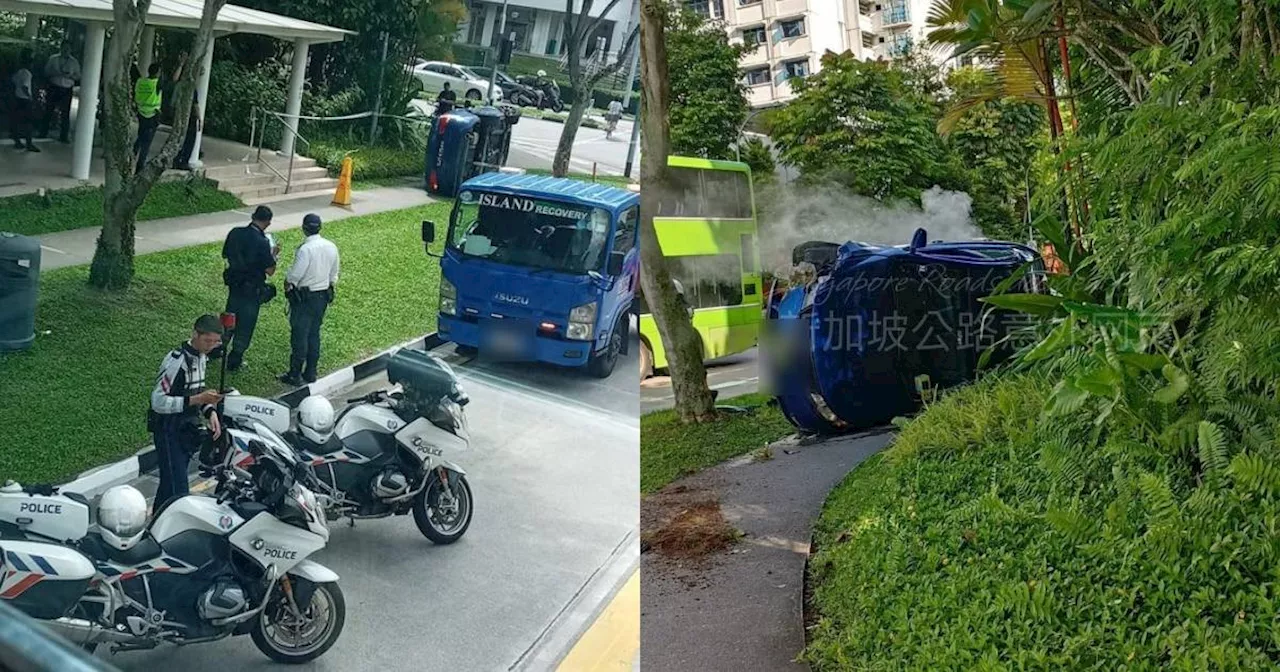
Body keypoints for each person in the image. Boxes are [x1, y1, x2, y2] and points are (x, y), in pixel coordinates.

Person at [149, 314, 224, 509]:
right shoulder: (177, 361)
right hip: (168, 429)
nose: (210, 346)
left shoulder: (201, 358)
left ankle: (157, 522)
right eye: (207, 341)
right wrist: (198, 400)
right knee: (179, 491)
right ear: (195, 334)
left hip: (185, 430)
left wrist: (210, 411)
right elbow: (158, 401)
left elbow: (199, 390)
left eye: (215, 342)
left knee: (170, 485)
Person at [281, 214, 341, 386]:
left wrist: (288, 283)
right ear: (319, 227)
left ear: (304, 228)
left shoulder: (305, 249)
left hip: (305, 298)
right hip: (322, 296)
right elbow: (334, 274)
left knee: (300, 335)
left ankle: (294, 374)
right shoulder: (331, 246)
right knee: (314, 334)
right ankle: (311, 372)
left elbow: (295, 275)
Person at [221, 205, 279, 372]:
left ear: (253, 216)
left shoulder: (235, 232)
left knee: (230, 316)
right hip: (252, 290)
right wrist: (273, 255)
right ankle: (234, 360)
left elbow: (225, 254)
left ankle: (217, 348)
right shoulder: (262, 242)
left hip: (234, 285)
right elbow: (270, 270)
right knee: (245, 325)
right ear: (268, 223)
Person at [134, 52, 186, 173]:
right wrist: (180, 65)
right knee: (146, 143)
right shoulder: (156, 83)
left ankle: (132, 152)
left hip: (141, 113)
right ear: (157, 73)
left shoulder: (141, 81)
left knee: (141, 136)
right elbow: (174, 80)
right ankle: (139, 167)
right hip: (152, 115)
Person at [41, 41, 80, 143]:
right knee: (49, 109)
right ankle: (43, 132)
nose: (66, 50)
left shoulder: (74, 62)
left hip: (66, 89)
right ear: (61, 47)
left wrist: (69, 76)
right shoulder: (53, 59)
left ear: (71, 49)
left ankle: (63, 136)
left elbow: (78, 76)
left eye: (68, 48)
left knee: (65, 113)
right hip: (54, 87)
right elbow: (46, 72)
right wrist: (55, 73)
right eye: (64, 47)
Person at [11, 50, 38, 152]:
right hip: (25, 100)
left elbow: (13, 81)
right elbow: (25, 86)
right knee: (28, 122)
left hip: (17, 98)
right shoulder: (27, 73)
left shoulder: (18, 72)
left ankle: (17, 141)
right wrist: (30, 96)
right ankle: (29, 143)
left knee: (17, 121)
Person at [173, 91, 201, 170]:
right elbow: (195, 105)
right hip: (190, 117)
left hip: (180, 116)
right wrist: (199, 118)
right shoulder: (191, 89)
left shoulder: (179, 86)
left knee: (180, 139)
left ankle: (176, 159)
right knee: (190, 140)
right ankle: (183, 161)